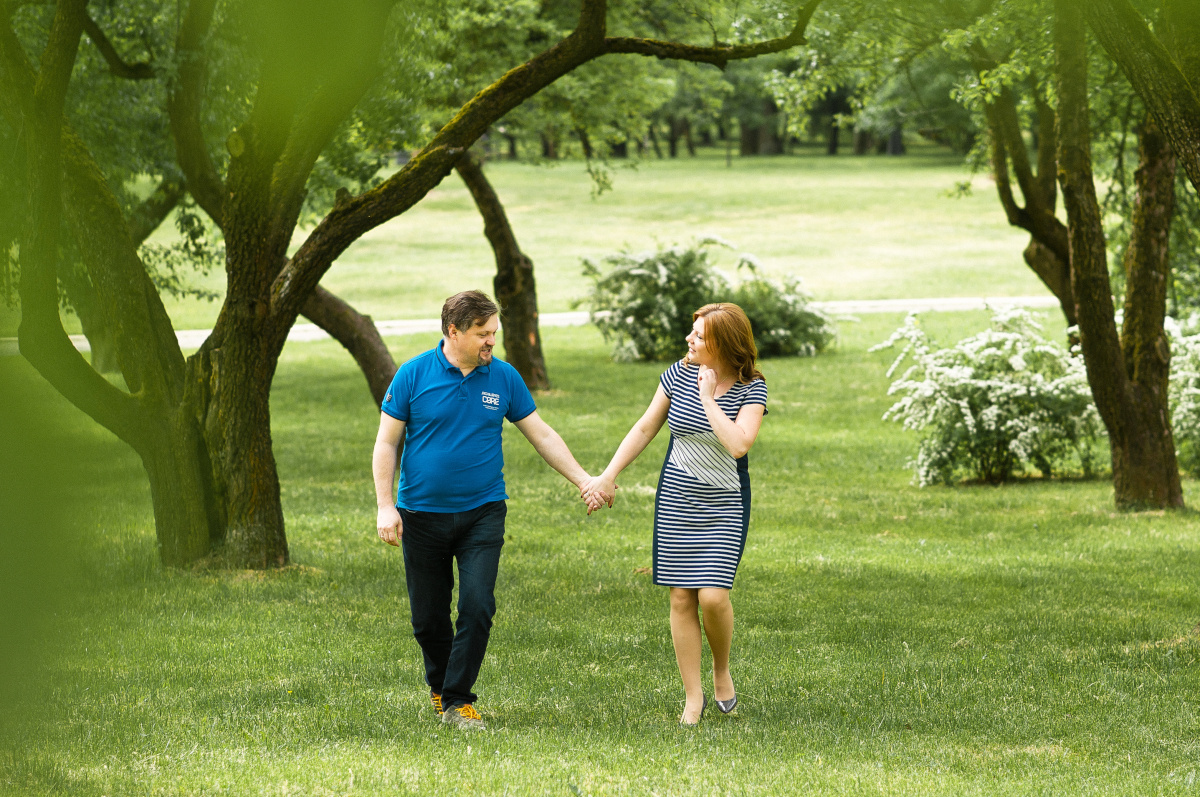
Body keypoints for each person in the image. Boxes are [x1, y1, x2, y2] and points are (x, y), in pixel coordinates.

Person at [373, 290, 607, 730]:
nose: (491, 343)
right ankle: (442, 689)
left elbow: (541, 435)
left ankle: (459, 701)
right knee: (427, 619)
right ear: (453, 331)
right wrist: (386, 506)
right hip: (421, 515)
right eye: (482, 334)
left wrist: (583, 480)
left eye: (494, 334)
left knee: (478, 605)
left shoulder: (503, 377)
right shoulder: (412, 375)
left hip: (483, 513)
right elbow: (387, 442)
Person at [583, 303, 767, 726]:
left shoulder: (750, 388)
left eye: (699, 335)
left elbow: (739, 443)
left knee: (714, 596)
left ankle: (721, 671)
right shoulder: (677, 374)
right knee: (682, 596)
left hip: (724, 504)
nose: (689, 339)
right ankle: (692, 696)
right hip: (677, 502)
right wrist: (608, 475)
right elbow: (646, 426)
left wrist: (707, 397)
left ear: (723, 343)